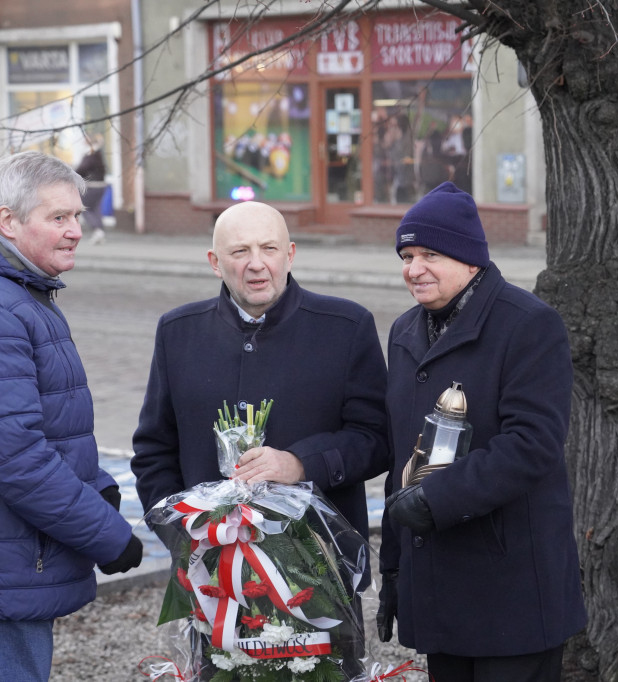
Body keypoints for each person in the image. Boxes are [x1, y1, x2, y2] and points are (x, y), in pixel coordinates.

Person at [0, 151, 143, 681]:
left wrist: (95, 485)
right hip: (0, 559)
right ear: (8, 221)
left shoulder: (11, 291)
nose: (75, 230)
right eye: (57, 217)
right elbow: (12, 456)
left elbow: (42, 426)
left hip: (8, 549)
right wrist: (105, 533)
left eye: (77, 216)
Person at [377, 182, 587, 681]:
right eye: (406, 255)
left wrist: (435, 501)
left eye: (430, 253)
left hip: (511, 592)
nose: (413, 268)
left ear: (470, 259)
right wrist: (393, 569)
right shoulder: (405, 332)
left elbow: (531, 445)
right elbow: (399, 459)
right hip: (439, 589)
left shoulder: (529, 324)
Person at [131, 200, 389, 542]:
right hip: (210, 568)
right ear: (215, 263)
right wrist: (184, 535)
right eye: (239, 251)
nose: (257, 264)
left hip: (319, 569)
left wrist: (300, 464)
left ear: (290, 254)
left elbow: (376, 439)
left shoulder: (347, 327)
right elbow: (154, 451)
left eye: (269, 248)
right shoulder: (177, 331)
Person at [75, 132, 107, 245]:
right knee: (95, 209)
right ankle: (100, 232)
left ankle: (97, 230)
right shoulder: (98, 154)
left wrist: (72, 173)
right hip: (100, 185)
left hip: (92, 186)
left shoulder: (91, 153)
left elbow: (81, 169)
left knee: (85, 208)